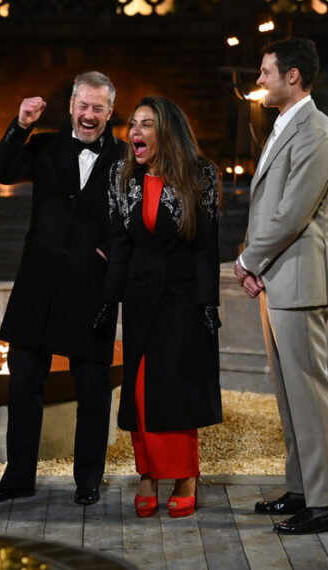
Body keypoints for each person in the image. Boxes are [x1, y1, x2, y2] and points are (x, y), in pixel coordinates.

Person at [0, 71, 126, 506]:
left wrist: (108, 252)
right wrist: (21, 124)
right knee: (24, 382)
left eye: (98, 108)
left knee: (92, 387)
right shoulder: (43, 144)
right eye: (83, 106)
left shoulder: (123, 157)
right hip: (38, 285)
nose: (89, 115)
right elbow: (1, 170)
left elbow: (133, 215)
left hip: (92, 287)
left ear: (109, 112)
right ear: (72, 106)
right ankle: (18, 478)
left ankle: (88, 480)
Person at [234, 37, 328, 534]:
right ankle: (303, 489)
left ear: (293, 75)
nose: (259, 79)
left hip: (299, 281)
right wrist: (258, 265)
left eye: (265, 71)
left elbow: (292, 213)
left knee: (309, 393)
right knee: (289, 395)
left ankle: (327, 506)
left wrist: (247, 260)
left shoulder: (318, 132)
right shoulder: (285, 125)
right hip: (279, 278)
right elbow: (268, 207)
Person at [95, 96, 221, 518]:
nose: (135, 133)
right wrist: (109, 300)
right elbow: (119, 243)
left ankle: (186, 476)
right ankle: (147, 475)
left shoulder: (201, 175)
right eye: (133, 124)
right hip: (140, 298)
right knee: (141, 391)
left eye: (146, 125)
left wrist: (207, 304)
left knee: (176, 386)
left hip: (183, 300)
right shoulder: (120, 176)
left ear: (166, 131)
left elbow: (207, 248)